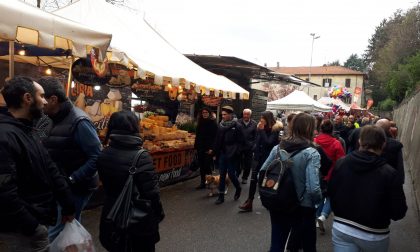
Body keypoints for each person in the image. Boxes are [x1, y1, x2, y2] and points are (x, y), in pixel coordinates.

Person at [0, 76, 75, 251]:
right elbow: (4, 191)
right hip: (21, 230)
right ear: (27, 99)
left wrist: (68, 204)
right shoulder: (5, 135)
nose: (44, 101)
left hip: (37, 220)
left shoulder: (27, 130)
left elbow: (50, 169)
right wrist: (32, 226)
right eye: (41, 96)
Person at [37, 77, 101, 241]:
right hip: (61, 184)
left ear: (53, 99)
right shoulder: (52, 118)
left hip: (77, 186)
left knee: (57, 230)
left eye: (43, 98)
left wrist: (72, 178)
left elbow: (97, 156)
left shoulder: (79, 121)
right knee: (67, 228)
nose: (41, 102)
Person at [328, 125, 407, 252]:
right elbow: (399, 211)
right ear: (383, 145)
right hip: (374, 234)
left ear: (360, 141)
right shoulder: (389, 173)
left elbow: (331, 191)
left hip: (342, 227)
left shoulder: (341, 163)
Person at [97, 111, 164, 252]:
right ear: (134, 127)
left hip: (112, 214)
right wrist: (158, 214)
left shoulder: (103, 154)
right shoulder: (142, 156)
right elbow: (152, 193)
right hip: (138, 219)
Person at [261, 113, 322, 252]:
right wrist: (318, 202)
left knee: (277, 243)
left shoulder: (278, 147)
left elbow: (263, 171)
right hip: (302, 205)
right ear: (309, 129)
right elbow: (313, 188)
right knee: (307, 244)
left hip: (277, 200)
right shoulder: (311, 153)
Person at [239, 111, 282, 212]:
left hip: (268, 160)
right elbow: (257, 140)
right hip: (257, 158)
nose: (261, 119)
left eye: (263, 117)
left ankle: (271, 202)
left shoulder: (275, 130)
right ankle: (249, 202)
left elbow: (268, 142)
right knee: (253, 180)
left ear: (268, 119)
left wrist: (261, 131)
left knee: (265, 181)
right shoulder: (260, 127)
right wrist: (254, 148)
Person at [314, 119, 345, 234]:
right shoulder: (336, 143)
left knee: (320, 195)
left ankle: (318, 218)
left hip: (317, 173)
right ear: (332, 130)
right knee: (331, 196)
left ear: (320, 129)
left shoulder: (315, 141)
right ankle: (323, 215)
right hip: (332, 174)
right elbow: (341, 160)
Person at [214, 106, 244, 204]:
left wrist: (237, 152)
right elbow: (217, 139)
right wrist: (215, 152)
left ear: (230, 115)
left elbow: (241, 141)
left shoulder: (237, 126)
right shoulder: (220, 125)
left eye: (225, 114)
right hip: (222, 153)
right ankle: (221, 196)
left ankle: (238, 188)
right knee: (222, 175)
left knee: (231, 174)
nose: (223, 116)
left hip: (232, 154)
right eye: (222, 114)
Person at [194, 107, 218, 189]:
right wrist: (196, 146)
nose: (204, 114)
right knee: (201, 166)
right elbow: (198, 135)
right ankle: (203, 182)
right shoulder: (200, 122)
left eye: (206, 113)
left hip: (208, 148)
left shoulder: (213, 123)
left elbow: (215, 137)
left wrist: (212, 148)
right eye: (203, 113)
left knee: (207, 166)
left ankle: (210, 181)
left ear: (209, 113)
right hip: (200, 147)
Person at [376, 118, 405, 184]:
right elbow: (399, 166)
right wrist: (400, 181)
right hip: (390, 179)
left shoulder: (369, 141)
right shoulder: (396, 145)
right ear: (389, 129)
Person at [237, 108, 257, 184]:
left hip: (249, 147)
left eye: (247, 114)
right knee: (238, 162)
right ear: (243, 114)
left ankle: (245, 177)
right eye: (244, 114)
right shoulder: (238, 122)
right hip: (239, 146)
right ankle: (237, 174)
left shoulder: (254, 123)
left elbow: (256, 136)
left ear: (250, 115)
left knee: (248, 163)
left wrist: (253, 145)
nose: (246, 116)